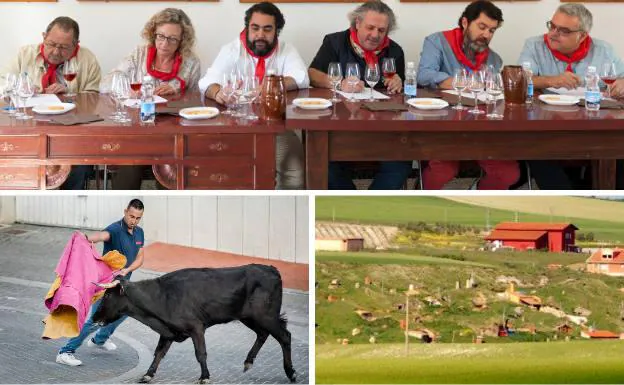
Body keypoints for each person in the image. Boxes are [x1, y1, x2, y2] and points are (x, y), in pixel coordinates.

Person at [199, 1, 309, 189]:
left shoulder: (286, 49)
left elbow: (302, 78)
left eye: (267, 29)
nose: (260, 35)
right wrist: (217, 92)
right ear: (247, 28)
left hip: (275, 126)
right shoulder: (231, 50)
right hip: (235, 127)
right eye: (255, 28)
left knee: (295, 173)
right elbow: (207, 82)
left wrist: (271, 84)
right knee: (229, 174)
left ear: (276, 31)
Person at [518, 3, 624, 189]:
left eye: (564, 30)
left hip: (593, 125)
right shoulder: (534, 45)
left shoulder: (603, 50)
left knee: (617, 149)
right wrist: (552, 81)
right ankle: (566, 199)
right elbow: (520, 80)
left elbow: (620, 78)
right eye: (552, 26)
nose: (553, 33)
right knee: (533, 147)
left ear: (582, 35)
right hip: (546, 124)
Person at [308, 0, 412, 190]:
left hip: (384, 129)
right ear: (357, 23)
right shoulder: (334, 42)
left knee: (401, 163)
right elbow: (313, 74)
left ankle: (372, 202)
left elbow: (403, 91)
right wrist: (339, 83)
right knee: (323, 162)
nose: (375, 35)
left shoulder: (395, 51)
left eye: (382, 30)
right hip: (340, 127)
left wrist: (399, 83)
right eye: (370, 28)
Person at [417, 0, 519, 190]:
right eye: (482, 27)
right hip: (443, 127)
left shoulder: (494, 59)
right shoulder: (437, 42)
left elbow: (492, 95)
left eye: (492, 30)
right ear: (465, 22)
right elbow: (424, 75)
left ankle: (479, 193)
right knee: (443, 171)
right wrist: (462, 82)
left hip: (481, 129)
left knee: (508, 173)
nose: (486, 35)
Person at [103, 8, 201, 190]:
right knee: (131, 162)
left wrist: (178, 90)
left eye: (172, 39)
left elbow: (195, 102)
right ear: (153, 33)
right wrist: (131, 90)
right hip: (137, 130)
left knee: (170, 168)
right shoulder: (139, 54)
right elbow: (107, 83)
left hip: (172, 133)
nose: (164, 44)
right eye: (160, 36)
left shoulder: (191, 63)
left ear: (182, 41)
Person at [3, 16, 101, 190]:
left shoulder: (87, 59)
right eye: (51, 44)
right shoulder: (24, 54)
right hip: (30, 127)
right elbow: (3, 86)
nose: (56, 52)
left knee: (77, 161)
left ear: (76, 44)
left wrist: (70, 94)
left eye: (64, 47)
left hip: (71, 130)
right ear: (43, 37)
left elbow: (94, 98)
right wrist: (23, 89)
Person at [56, 199, 145, 366]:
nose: (134, 220)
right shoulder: (115, 229)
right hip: (105, 286)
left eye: (138, 218)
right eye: (131, 216)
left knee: (129, 310)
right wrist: (86, 237)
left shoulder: (139, 232)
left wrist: (127, 270)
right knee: (96, 320)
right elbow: (101, 236)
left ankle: (100, 339)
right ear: (125, 211)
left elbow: (140, 258)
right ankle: (65, 352)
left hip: (121, 284)